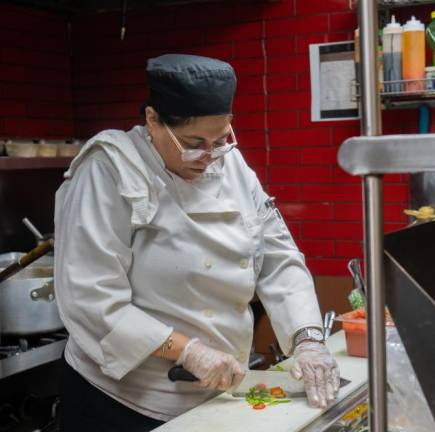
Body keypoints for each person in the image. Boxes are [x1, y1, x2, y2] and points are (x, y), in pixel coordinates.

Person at [54, 54, 340, 432]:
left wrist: (308, 340)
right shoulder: (109, 169)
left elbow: (278, 257)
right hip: (122, 401)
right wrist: (187, 350)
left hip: (212, 396)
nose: (209, 157)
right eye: (193, 143)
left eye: (220, 140)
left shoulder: (230, 164)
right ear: (152, 120)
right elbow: (90, 297)